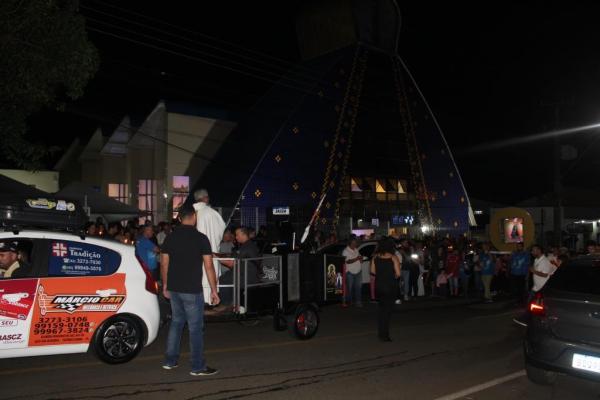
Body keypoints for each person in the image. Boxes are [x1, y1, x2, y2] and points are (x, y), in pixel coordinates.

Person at [160, 205, 219, 376]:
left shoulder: (170, 237)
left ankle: (170, 361)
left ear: (179, 218)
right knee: (195, 328)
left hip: (174, 288)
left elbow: (164, 263)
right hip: (192, 290)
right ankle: (197, 366)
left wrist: (165, 285)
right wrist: (214, 290)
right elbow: (209, 266)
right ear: (194, 217)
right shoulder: (201, 238)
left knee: (176, 323)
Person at [193, 189, 227, 299]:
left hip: (195, 254)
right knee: (210, 273)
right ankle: (211, 297)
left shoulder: (192, 213)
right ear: (206, 198)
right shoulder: (212, 213)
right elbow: (221, 231)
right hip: (211, 252)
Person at [217, 227, 261, 309]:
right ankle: (232, 302)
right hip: (244, 273)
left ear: (244, 235)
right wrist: (217, 254)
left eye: (237, 235)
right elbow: (232, 256)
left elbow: (231, 263)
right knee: (227, 275)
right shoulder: (247, 245)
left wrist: (216, 258)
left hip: (248, 277)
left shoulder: (247, 247)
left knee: (223, 279)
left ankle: (226, 304)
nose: (235, 237)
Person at [370, 238, 401, 342]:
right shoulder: (393, 257)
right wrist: (392, 275)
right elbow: (398, 274)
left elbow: (372, 271)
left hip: (379, 285)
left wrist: (381, 273)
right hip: (390, 285)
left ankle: (381, 333)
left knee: (381, 310)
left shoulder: (375, 257)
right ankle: (385, 335)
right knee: (387, 311)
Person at [342, 238, 363, 307]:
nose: (355, 244)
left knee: (358, 287)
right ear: (350, 243)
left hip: (358, 271)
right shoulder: (345, 251)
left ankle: (358, 302)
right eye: (353, 243)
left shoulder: (356, 250)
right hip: (350, 272)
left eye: (355, 243)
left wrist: (361, 259)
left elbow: (359, 257)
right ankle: (350, 301)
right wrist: (357, 258)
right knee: (349, 288)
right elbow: (348, 261)